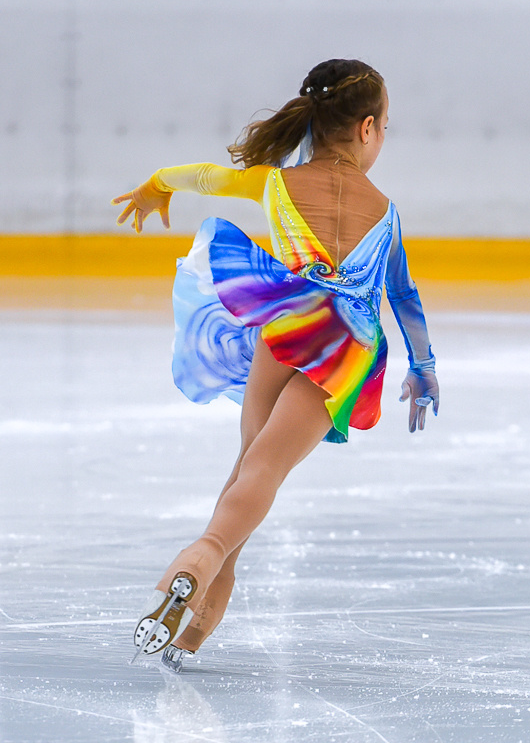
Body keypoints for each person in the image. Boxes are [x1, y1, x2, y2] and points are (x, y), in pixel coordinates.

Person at [112, 58, 439, 672]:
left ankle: (197, 602)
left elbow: (207, 176)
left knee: (246, 466)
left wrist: (158, 181)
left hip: (286, 318)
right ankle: (204, 557)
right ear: (368, 128)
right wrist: (423, 367)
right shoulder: (387, 211)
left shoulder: (275, 183)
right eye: (387, 128)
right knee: (263, 472)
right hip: (342, 343)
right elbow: (404, 296)